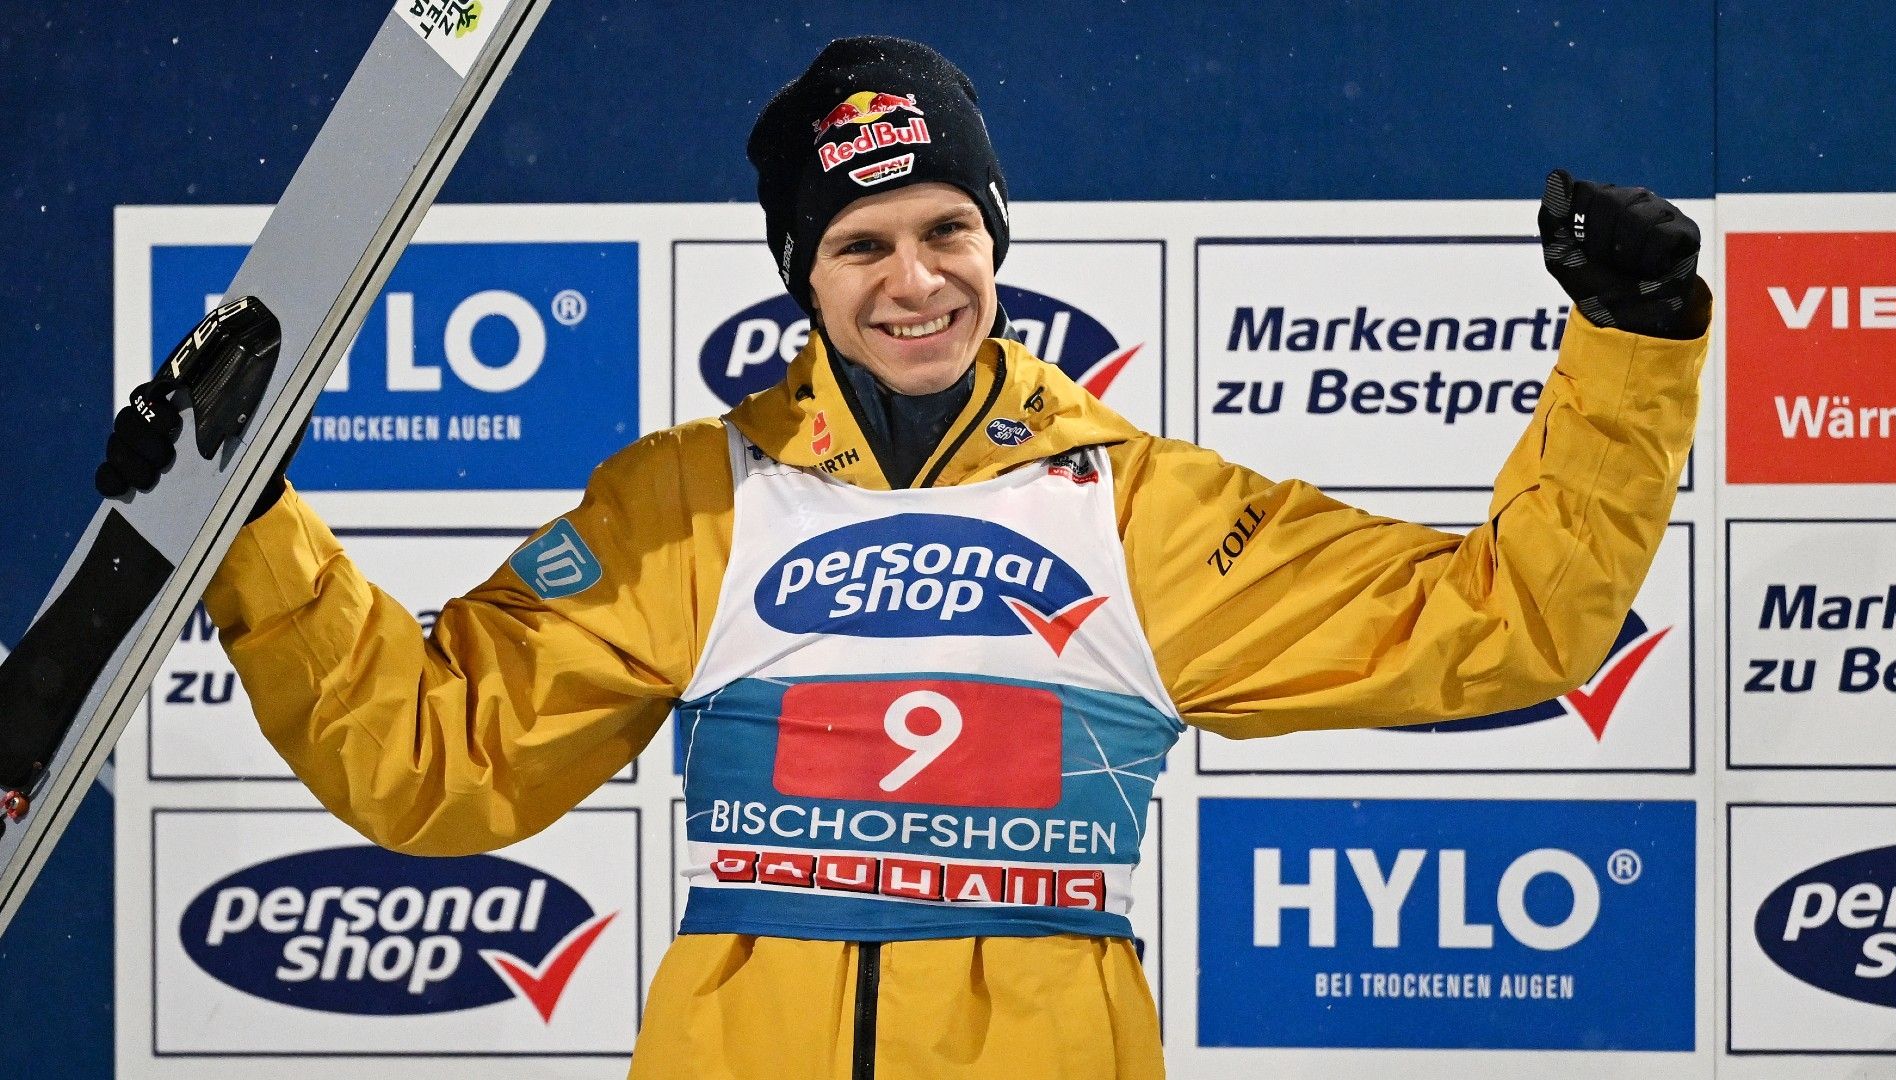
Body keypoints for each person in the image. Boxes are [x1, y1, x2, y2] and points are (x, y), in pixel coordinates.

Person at [99, 35, 1709, 1080]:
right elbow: (436, 764)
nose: (915, 280)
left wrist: (1632, 343)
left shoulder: (1136, 510)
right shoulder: (691, 504)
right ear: (803, 277)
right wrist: (252, 528)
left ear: (994, 240)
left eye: (948, 230)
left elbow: (1505, 623)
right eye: (861, 244)